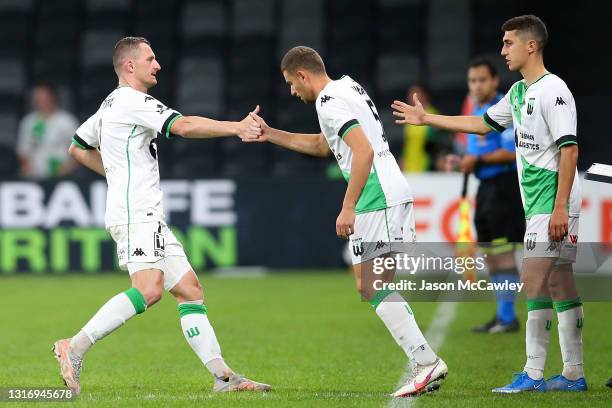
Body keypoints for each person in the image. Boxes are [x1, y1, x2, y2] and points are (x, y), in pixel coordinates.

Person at [52, 37, 270, 395]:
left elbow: (77, 147)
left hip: (145, 214)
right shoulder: (133, 102)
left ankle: (223, 377)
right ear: (130, 66)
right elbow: (182, 126)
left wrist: (116, 172)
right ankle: (73, 347)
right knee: (149, 290)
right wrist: (237, 127)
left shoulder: (109, 105)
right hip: (136, 214)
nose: (158, 65)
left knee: (189, 289)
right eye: (150, 59)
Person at [392, 15, 585, 393]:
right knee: (561, 282)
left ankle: (532, 374)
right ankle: (574, 374)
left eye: (509, 42)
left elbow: (570, 148)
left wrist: (560, 206)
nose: (503, 50)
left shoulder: (554, 90)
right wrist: (425, 118)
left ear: (531, 45)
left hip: (552, 200)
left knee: (533, 280)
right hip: (540, 202)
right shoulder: (517, 94)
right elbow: (481, 125)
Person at [244, 46, 448, 398]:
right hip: (390, 189)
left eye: (292, 84)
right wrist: (271, 134)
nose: (293, 92)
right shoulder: (348, 88)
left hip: (376, 196)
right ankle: (423, 361)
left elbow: (363, 150)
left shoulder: (328, 101)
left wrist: (348, 205)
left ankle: (426, 362)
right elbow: (326, 146)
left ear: (303, 75)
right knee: (376, 284)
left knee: (370, 284)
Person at [452, 57, 524, 334]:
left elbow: (511, 152)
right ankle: (502, 315)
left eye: (482, 79)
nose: (477, 85)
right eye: (472, 80)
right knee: (492, 253)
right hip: (486, 189)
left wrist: (477, 162)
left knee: (502, 253)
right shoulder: (477, 108)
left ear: (494, 81)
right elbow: (475, 153)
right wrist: (463, 161)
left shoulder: (503, 109)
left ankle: (508, 318)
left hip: (504, 188)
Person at [16, 83, 79, 179]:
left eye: (42, 97)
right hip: (35, 176)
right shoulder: (28, 122)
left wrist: (68, 168)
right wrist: (27, 168)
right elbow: (23, 151)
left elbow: (79, 149)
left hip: (64, 176)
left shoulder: (67, 121)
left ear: (52, 97)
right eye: (36, 98)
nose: (38, 101)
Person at [400, 83, 448, 172]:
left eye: (416, 94)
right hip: (410, 167)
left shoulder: (433, 115)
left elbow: (437, 143)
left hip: (427, 167)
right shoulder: (410, 116)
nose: (412, 97)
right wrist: (403, 159)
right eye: (410, 95)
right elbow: (408, 142)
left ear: (425, 96)